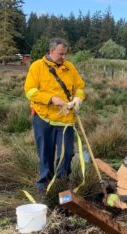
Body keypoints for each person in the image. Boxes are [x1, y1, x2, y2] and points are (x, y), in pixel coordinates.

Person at [24, 37, 85, 196]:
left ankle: (61, 185)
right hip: (43, 118)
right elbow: (30, 91)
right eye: (60, 54)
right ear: (51, 51)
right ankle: (44, 189)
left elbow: (79, 87)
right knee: (46, 154)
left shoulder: (70, 67)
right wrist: (50, 99)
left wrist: (78, 100)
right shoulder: (37, 67)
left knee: (67, 154)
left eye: (65, 54)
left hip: (66, 121)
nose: (63, 57)